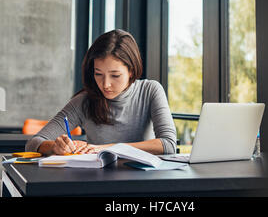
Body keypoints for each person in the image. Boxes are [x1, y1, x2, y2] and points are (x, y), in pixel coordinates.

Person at [25, 29, 177, 156]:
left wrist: (106, 148)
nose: (105, 84)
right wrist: (54, 147)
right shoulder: (84, 101)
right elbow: (34, 143)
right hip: (98, 182)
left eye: (115, 75)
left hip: (143, 182)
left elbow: (168, 144)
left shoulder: (150, 90)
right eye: (98, 74)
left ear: (131, 71)